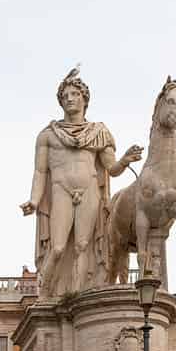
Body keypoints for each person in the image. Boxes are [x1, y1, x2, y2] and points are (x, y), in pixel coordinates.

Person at [21, 69, 143, 297]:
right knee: (57, 248)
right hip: (61, 190)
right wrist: (35, 200)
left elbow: (112, 168)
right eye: (65, 95)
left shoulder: (98, 132)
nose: (70, 98)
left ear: (84, 99)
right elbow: (39, 171)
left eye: (75, 94)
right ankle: (45, 294)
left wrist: (125, 160)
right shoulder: (48, 135)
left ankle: (76, 298)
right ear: (60, 101)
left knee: (82, 246)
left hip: (89, 190)